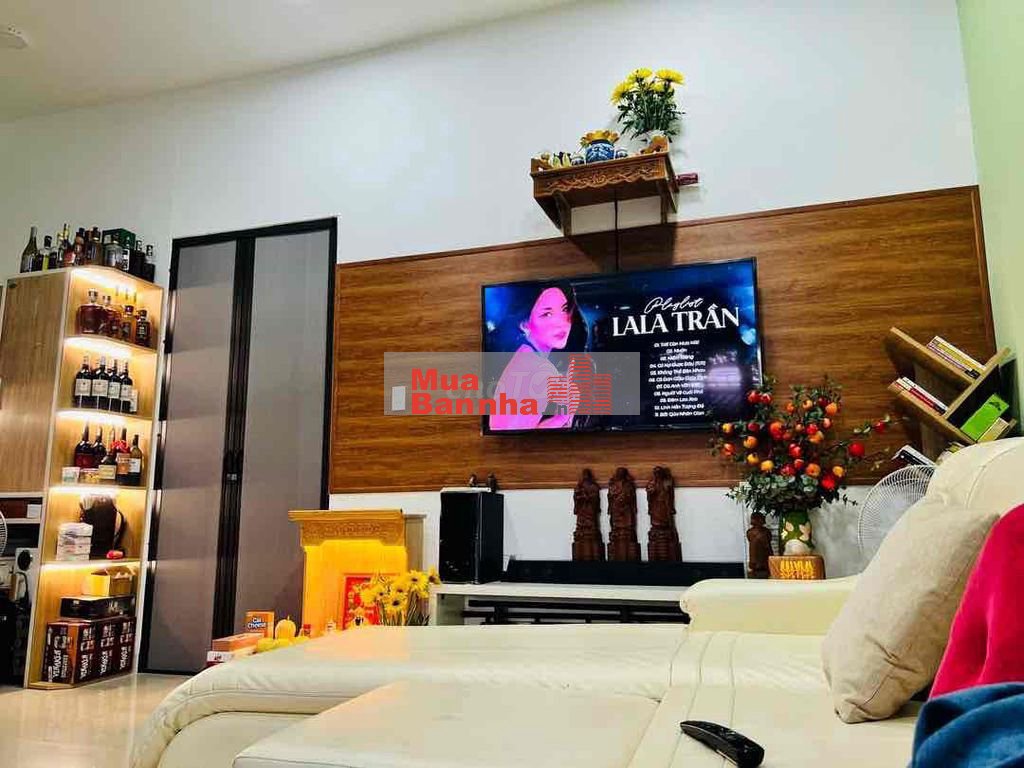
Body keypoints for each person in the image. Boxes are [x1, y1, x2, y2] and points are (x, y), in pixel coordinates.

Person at [488, 283, 587, 430]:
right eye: (547, 314)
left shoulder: (525, 355)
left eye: (564, 310)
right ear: (524, 324)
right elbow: (520, 438)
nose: (561, 323)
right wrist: (564, 416)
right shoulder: (539, 368)